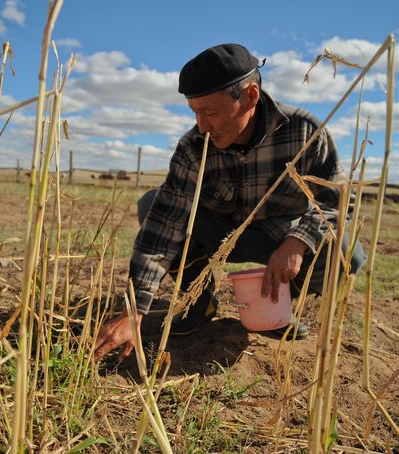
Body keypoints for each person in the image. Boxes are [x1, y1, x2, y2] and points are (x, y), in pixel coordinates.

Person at [94, 43, 365, 362]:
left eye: (210, 112)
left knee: (347, 252)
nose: (202, 126)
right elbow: (162, 229)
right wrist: (136, 310)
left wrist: (298, 242)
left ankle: (275, 306)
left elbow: (337, 201)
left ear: (250, 96)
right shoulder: (194, 146)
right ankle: (199, 302)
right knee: (151, 204)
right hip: (217, 233)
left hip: (279, 236)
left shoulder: (304, 132)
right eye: (194, 112)